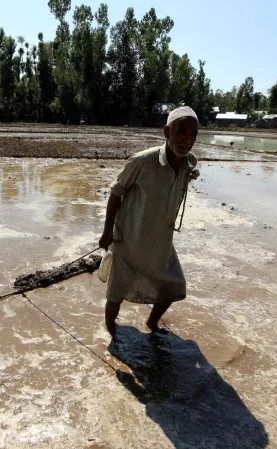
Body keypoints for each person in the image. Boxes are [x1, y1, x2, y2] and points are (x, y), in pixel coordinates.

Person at [99, 106, 200, 337]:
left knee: (174, 287)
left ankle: (152, 324)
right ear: (167, 132)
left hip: (161, 241)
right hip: (130, 239)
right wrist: (107, 232)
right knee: (115, 294)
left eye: (193, 134)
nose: (186, 140)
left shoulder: (188, 164)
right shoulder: (142, 161)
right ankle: (111, 333)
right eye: (181, 132)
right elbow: (115, 193)